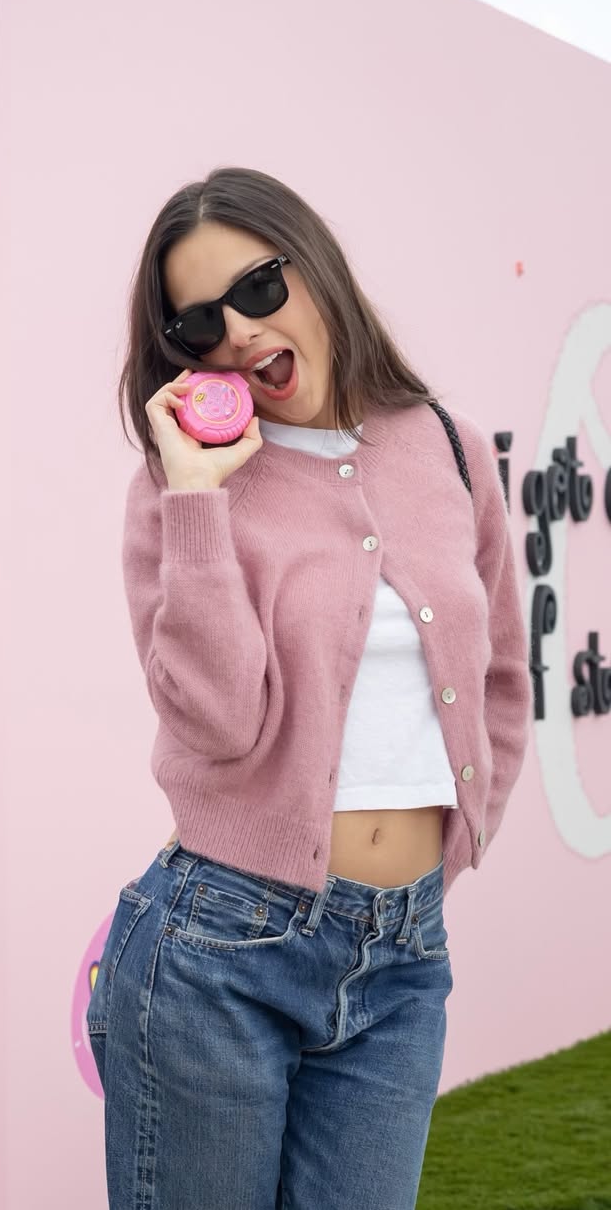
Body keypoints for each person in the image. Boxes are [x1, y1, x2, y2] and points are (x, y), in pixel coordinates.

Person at [87, 168, 532, 1210]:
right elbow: (222, 723)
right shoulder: (178, 490)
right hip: (218, 953)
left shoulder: (449, 448)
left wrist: (459, 834)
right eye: (199, 324)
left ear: (314, 266)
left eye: (257, 289)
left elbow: (501, 671)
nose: (237, 333)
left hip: (405, 954)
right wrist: (199, 499)